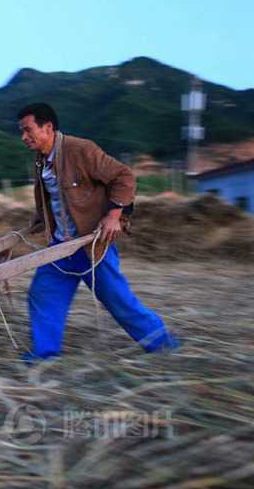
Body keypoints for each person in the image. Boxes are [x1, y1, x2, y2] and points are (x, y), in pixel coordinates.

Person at [17, 103, 179, 360]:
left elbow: (124, 177)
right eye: (22, 132)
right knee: (43, 296)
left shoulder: (80, 150)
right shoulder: (41, 162)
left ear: (47, 127)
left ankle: (163, 346)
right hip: (60, 247)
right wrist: (43, 214)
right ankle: (44, 356)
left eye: (28, 130)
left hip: (91, 245)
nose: (23, 137)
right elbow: (58, 196)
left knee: (119, 302)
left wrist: (114, 215)